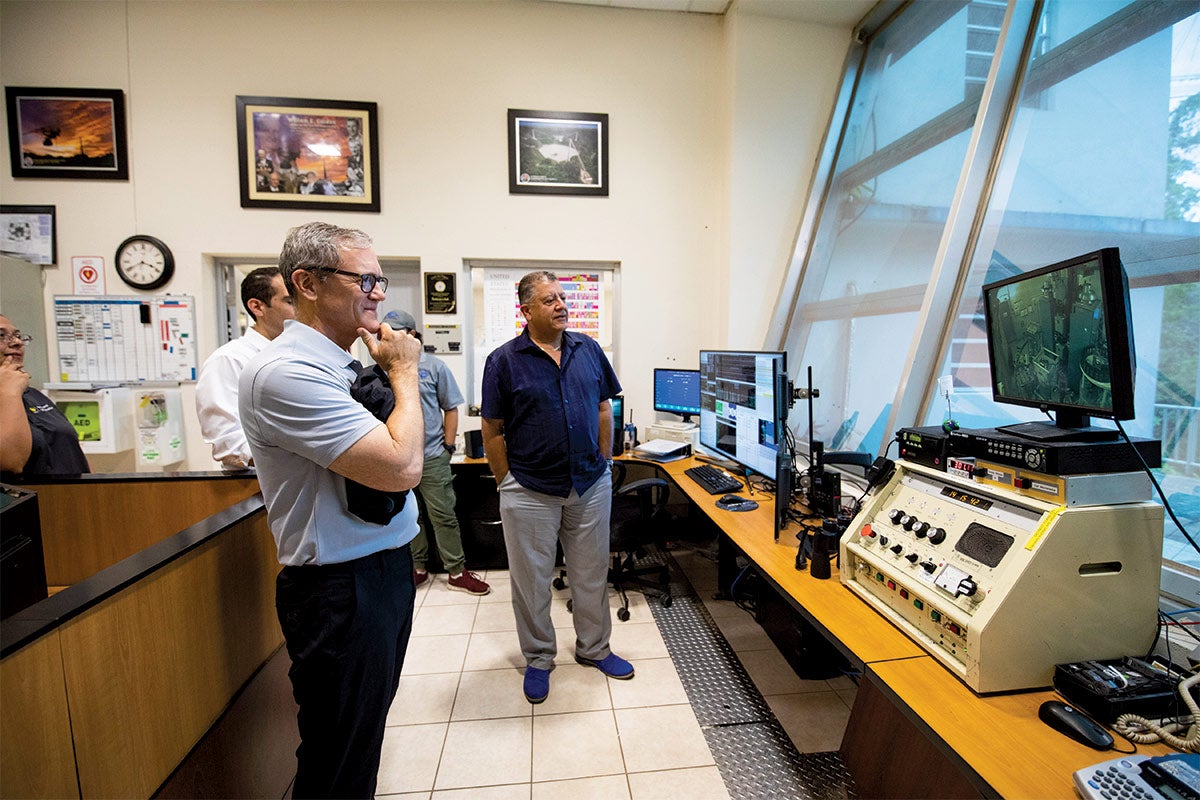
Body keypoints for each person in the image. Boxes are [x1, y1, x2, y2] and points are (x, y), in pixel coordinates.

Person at [238, 222, 424, 798]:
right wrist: (406, 370)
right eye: (363, 278)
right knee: (336, 757)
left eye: (379, 279)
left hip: (384, 570)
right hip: (339, 590)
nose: (378, 292)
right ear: (306, 283)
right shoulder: (285, 374)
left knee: (361, 741)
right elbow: (400, 465)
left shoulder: (341, 363)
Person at [480, 270, 632, 705]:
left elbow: (605, 407)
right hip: (529, 490)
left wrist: (604, 460)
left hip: (588, 484)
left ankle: (595, 649)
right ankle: (539, 658)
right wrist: (506, 480)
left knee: (591, 574)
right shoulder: (504, 361)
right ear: (526, 310)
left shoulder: (588, 350)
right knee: (532, 583)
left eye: (563, 297)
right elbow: (492, 428)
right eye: (549, 300)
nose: (562, 305)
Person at [382, 309, 490, 596]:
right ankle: (418, 568)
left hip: (431, 456)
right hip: (397, 458)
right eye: (386, 333)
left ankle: (456, 570)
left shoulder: (434, 367)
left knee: (442, 515)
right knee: (409, 516)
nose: (388, 338)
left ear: (413, 334)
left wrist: (448, 446)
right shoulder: (382, 368)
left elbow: (451, 406)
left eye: (395, 333)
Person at [194, 267, 296, 470]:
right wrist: (305, 456)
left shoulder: (297, 355)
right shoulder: (229, 360)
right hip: (257, 488)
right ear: (257, 307)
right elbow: (231, 444)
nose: (300, 309)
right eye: (290, 301)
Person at [0, 314, 90, 480]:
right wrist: (9, 392)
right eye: (1, 336)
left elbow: (70, 451)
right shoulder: (12, 393)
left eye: (18, 336)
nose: (17, 342)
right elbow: (12, 463)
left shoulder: (32, 395)